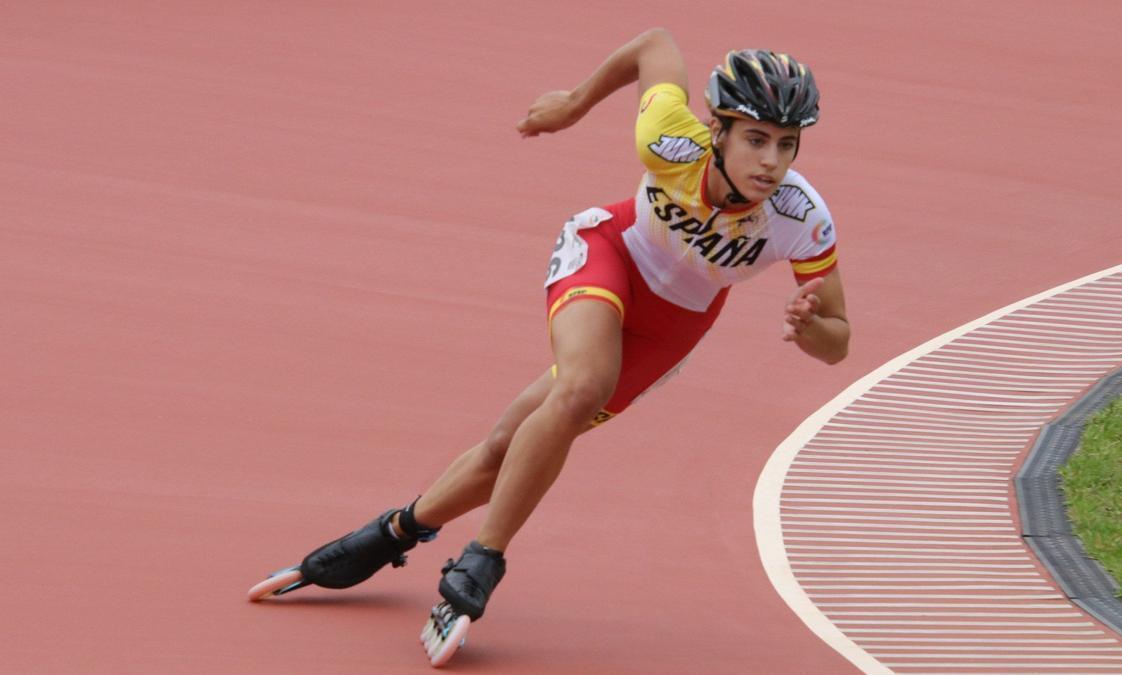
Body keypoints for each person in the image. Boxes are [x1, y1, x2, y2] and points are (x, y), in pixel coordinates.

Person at [276, 26, 848, 651]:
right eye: (756, 140)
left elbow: (838, 341)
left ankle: (392, 532)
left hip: (674, 324)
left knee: (508, 445)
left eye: (787, 145)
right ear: (717, 132)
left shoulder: (800, 217)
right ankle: (480, 563)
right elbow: (655, 44)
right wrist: (573, 105)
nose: (771, 161)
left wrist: (810, 327)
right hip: (610, 255)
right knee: (579, 388)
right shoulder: (668, 139)